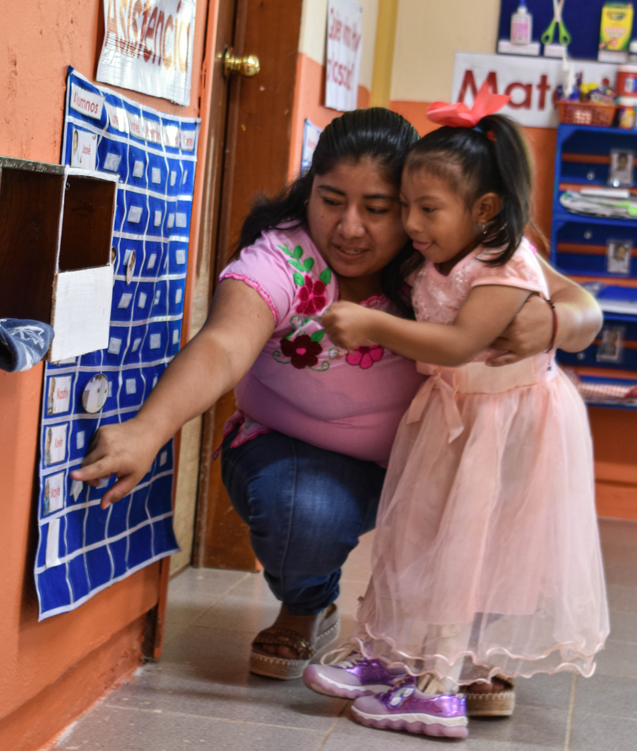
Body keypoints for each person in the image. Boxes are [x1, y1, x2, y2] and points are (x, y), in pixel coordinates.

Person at [70, 107, 603, 694]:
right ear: (310, 191)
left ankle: (465, 651)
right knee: (304, 513)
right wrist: (149, 428)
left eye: (378, 209)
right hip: (302, 453)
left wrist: (553, 324)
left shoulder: (449, 247)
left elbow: (581, 306)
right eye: (331, 200)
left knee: (480, 512)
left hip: (435, 455)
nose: (350, 227)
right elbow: (224, 345)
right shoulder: (284, 258)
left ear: (413, 202)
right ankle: (309, 603)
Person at [305, 95, 609, 739]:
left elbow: (459, 344)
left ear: (485, 209)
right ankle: (388, 657)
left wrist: (371, 324)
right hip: (451, 416)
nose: (412, 223)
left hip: (499, 424)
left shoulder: (505, 261)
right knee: (411, 539)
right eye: (406, 206)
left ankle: (440, 685)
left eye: (426, 209)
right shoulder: (441, 251)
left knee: (462, 554)